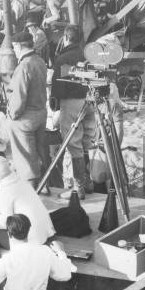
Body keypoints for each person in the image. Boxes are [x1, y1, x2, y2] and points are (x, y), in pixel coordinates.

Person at [51, 24, 97, 199]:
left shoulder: (64, 57)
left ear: (65, 37)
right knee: (86, 141)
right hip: (90, 100)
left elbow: (59, 86)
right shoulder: (87, 54)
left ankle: (79, 187)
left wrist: (55, 105)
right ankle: (88, 181)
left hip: (72, 102)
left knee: (74, 144)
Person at [6, 31, 48, 189]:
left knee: (26, 160)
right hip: (40, 114)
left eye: (14, 47)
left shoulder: (24, 65)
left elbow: (19, 97)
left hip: (25, 119)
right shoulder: (39, 60)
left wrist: (11, 115)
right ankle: (45, 184)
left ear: (18, 45)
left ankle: (31, 193)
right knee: (40, 153)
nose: (14, 50)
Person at [0, 156, 56, 245]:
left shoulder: (4, 191)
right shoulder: (20, 179)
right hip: (46, 232)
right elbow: (5, 211)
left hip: (31, 237)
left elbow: (7, 221)